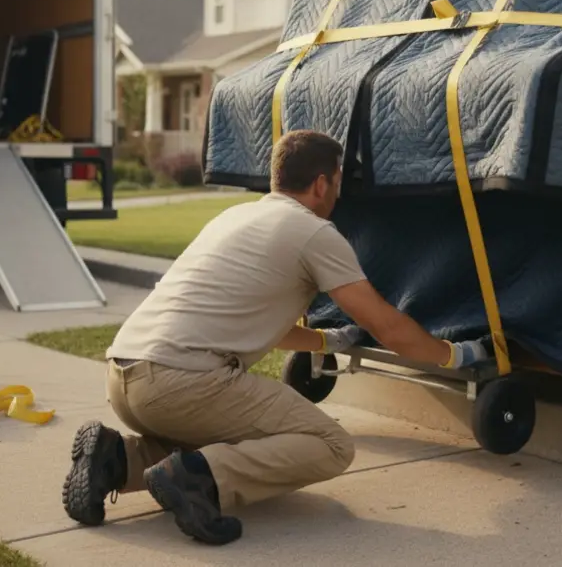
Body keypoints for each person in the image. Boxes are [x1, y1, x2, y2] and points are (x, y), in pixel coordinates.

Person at [61, 129, 490, 546]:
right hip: (179, 384)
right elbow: (386, 326)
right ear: (321, 184)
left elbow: (255, 321)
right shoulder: (314, 232)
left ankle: (116, 459)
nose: (338, 194)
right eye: (338, 183)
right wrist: (455, 355)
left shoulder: (235, 217)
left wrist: (325, 342)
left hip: (126, 377)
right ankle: (197, 480)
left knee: (227, 436)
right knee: (331, 445)